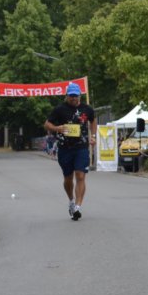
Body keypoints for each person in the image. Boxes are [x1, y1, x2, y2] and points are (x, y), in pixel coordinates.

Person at [44, 82, 97, 221]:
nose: (74, 98)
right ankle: (71, 201)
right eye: (71, 96)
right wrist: (57, 128)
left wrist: (93, 136)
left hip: (81, 148)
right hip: (65, 149)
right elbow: (47, 124)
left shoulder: (86, 109)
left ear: (80, 96)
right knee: (68, 178)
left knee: (80, 175)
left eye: (76, 96)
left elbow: (93, 120)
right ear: (67, 95)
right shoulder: (59, 109)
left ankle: (78, 207)